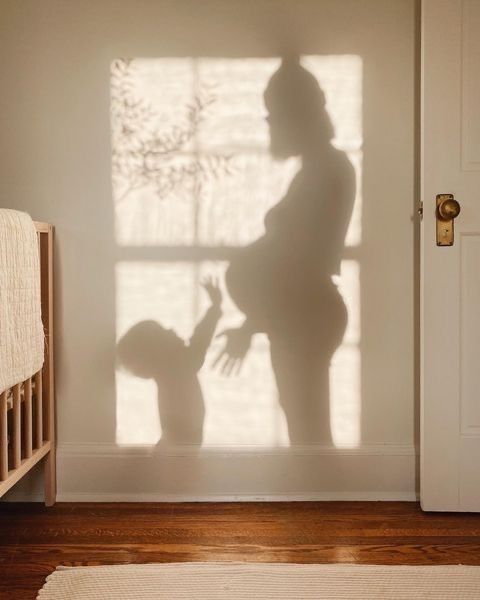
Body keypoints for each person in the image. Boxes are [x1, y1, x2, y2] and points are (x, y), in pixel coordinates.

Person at [214, 57, 355, 444]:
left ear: (298, 116)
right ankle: (317, 498)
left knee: (308, 427)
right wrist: (256, 319)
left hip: (305, 316)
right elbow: (287, 256)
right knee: (302, 421)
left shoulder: (326, 170)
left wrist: (252, 321)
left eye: (275, 116)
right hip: (297, 315)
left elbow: (298, 261)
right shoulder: (317, 169)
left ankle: (321, 500)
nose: (270, 124)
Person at [117, 278, 222, 445]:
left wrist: (215, 308)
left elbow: (199, 340)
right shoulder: (179, 368)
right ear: (159, 350)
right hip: (181, 443)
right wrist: (215, 308)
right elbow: (200, 340)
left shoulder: (174, 369)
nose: (172, 329)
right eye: (166, 332)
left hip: (178, 443)